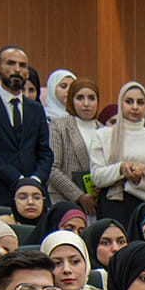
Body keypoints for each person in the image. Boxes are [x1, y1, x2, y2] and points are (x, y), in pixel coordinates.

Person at [0, 45, 53, 208]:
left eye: (22, 65)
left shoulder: (35, 108)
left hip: (32, 196)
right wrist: (18, 179)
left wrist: (35, 180)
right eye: (11, 63)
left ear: (27, 73)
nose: (17, 69)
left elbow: (45, 152)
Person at [89, 81, 145, 219]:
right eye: (129, 101)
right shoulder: (103, 135)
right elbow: (97, 176)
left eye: (140, 102)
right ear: (120, 103)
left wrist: (138, 179)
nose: (135, 107)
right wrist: (121, 168)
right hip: (112, 204)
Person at [49, 77, 101, 211]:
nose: (86, 104)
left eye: (91, 98)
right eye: (80, 98)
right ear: (71, 100)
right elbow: (52, 169)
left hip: (98, 201)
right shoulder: (58, 126)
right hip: (65, 200)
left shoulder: (104, 130)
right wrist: (79, 196)